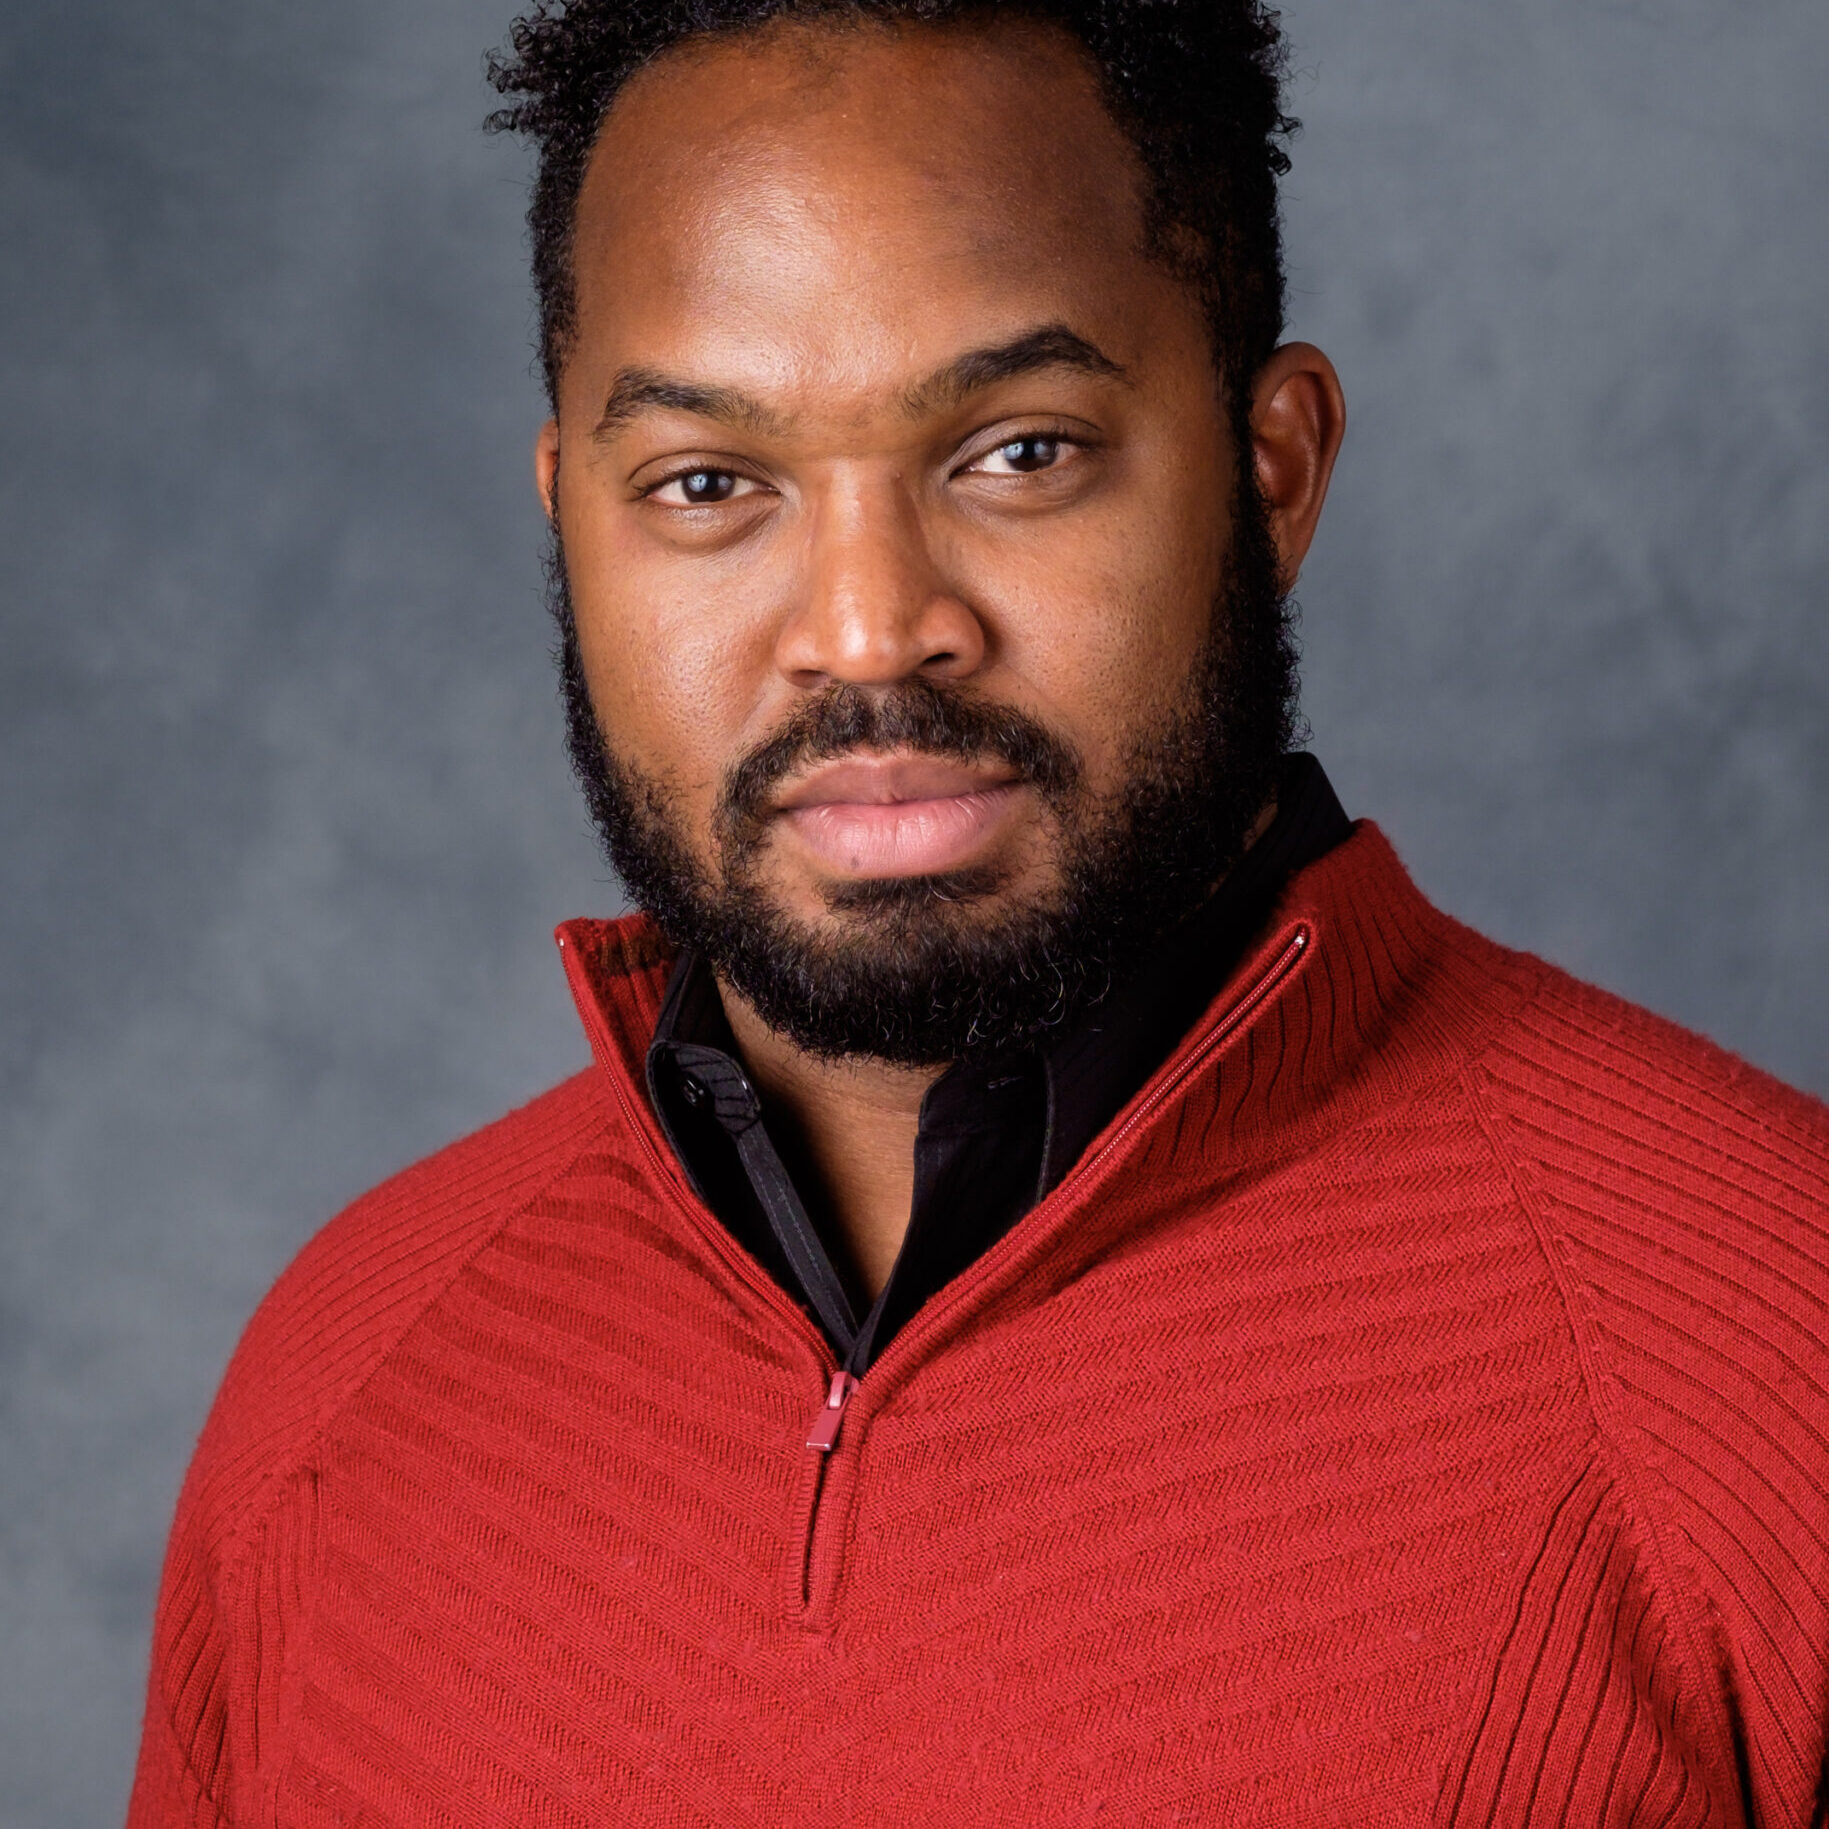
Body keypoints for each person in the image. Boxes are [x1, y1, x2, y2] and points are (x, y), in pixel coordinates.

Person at [127, 1, 1829, 1823]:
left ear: (1271, 471)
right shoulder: (342, 1375)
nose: (867, 629)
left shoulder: (1765, 1353)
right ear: (571, 525)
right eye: (709, 484)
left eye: (1017, 450)